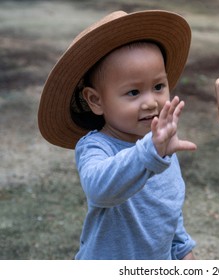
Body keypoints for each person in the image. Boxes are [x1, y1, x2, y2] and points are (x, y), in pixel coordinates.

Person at [38, 10, 196, 260]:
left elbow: (167, 207)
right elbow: (99, 189)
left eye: (158, 87)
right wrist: (150, 152)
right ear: (96, 100)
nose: (150, 103)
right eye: (133, 92)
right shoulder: (96, 146)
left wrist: (182, 248)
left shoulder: (160, 144)